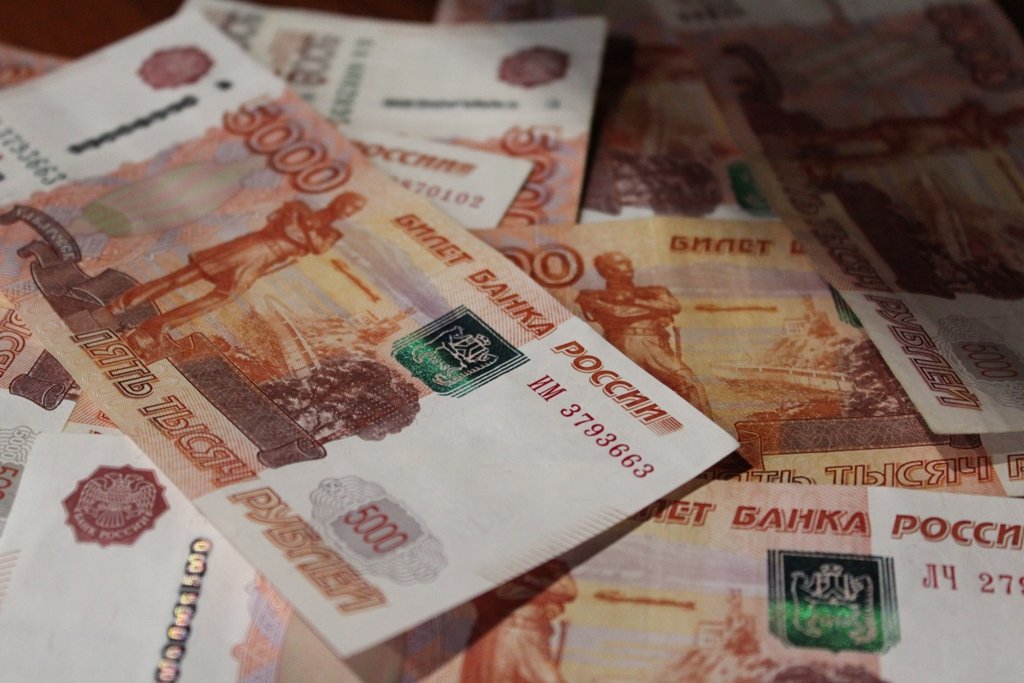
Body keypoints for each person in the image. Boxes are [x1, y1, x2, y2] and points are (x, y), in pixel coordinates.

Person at [109, 191, 366, 350]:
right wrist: (304, 231)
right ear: (339, 200)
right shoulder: (300, 206)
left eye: (355, 210)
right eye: (350, 204)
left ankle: (156, 326)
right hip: (249, 246)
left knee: (223, 296)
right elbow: (287, 229)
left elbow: (318, 247)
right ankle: (119, 305)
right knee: (182, 278)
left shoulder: (331, 233)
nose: (350, 211)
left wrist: (302, 228)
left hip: (264, 261)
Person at [576, 251, 712, 416]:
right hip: (622, 345)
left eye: (628, 262)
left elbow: (673, 306)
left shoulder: (655, 290)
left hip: (656, 345)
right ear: (607, 271)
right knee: (630, 397)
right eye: (621, 263)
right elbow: (617, 313)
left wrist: (634, 300)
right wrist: (654, 310)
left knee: (689, 383)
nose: (629, 267)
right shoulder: (591, 295)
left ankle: (705, 430)